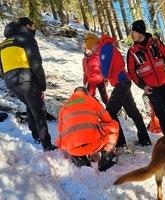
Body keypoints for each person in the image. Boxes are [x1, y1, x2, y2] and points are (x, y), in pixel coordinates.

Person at [84, 33, 151, 147]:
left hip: (121, 83)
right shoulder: (106, 46)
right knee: (132, 111)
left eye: (91, 47)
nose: (92, 50)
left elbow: (105, 70)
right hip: (122, 82)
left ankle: (120, 143)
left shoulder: (105, 47)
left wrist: (103, 76)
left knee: (110, 112)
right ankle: (144, 139)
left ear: (95, 43)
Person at [0, 18, 56, 151]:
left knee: (30, 106)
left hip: (10, 82)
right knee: (39, 110)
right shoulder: (27, 38)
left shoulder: (3, 44)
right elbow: (36, 64)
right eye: (32, 26)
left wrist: (9, 78)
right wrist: (42, 86)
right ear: (26, 26)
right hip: (27, 80)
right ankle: (47, 145)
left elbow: (1, 68)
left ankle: (36, 136)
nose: (33, 29)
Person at [56, 87, 119, 171]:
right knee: (114, 125)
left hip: (72, 149)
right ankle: (108, 156)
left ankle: (79, 156)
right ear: (86, 93)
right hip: (93, 144)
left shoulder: (64, 106)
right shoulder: (90, 100)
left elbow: (60, 130)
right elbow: (107, 119)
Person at [127, 20, 165, 135]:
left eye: (133, 32)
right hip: (151, 89)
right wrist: (143, 86)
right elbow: (132, 72)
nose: (131, 35)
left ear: (140, 32)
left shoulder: (156, 43)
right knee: (161, 115)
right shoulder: (132, 52)